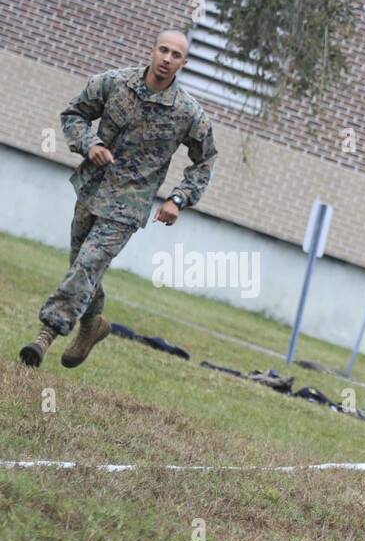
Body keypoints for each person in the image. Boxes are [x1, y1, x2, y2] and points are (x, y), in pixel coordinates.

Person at [19, 30, 218, 369]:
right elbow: (73, 115)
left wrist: (178, 199)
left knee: (87, 265)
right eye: (163, 50)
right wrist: (90, 144)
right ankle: (94, 325)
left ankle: (46, 335)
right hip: (92, 187)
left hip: (130, 203)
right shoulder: (113, 83)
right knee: (82, 266)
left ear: (183, 63)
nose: (167, 59)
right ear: (152, 50)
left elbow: (205, 160)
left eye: (176, 55)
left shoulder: (188, 112)